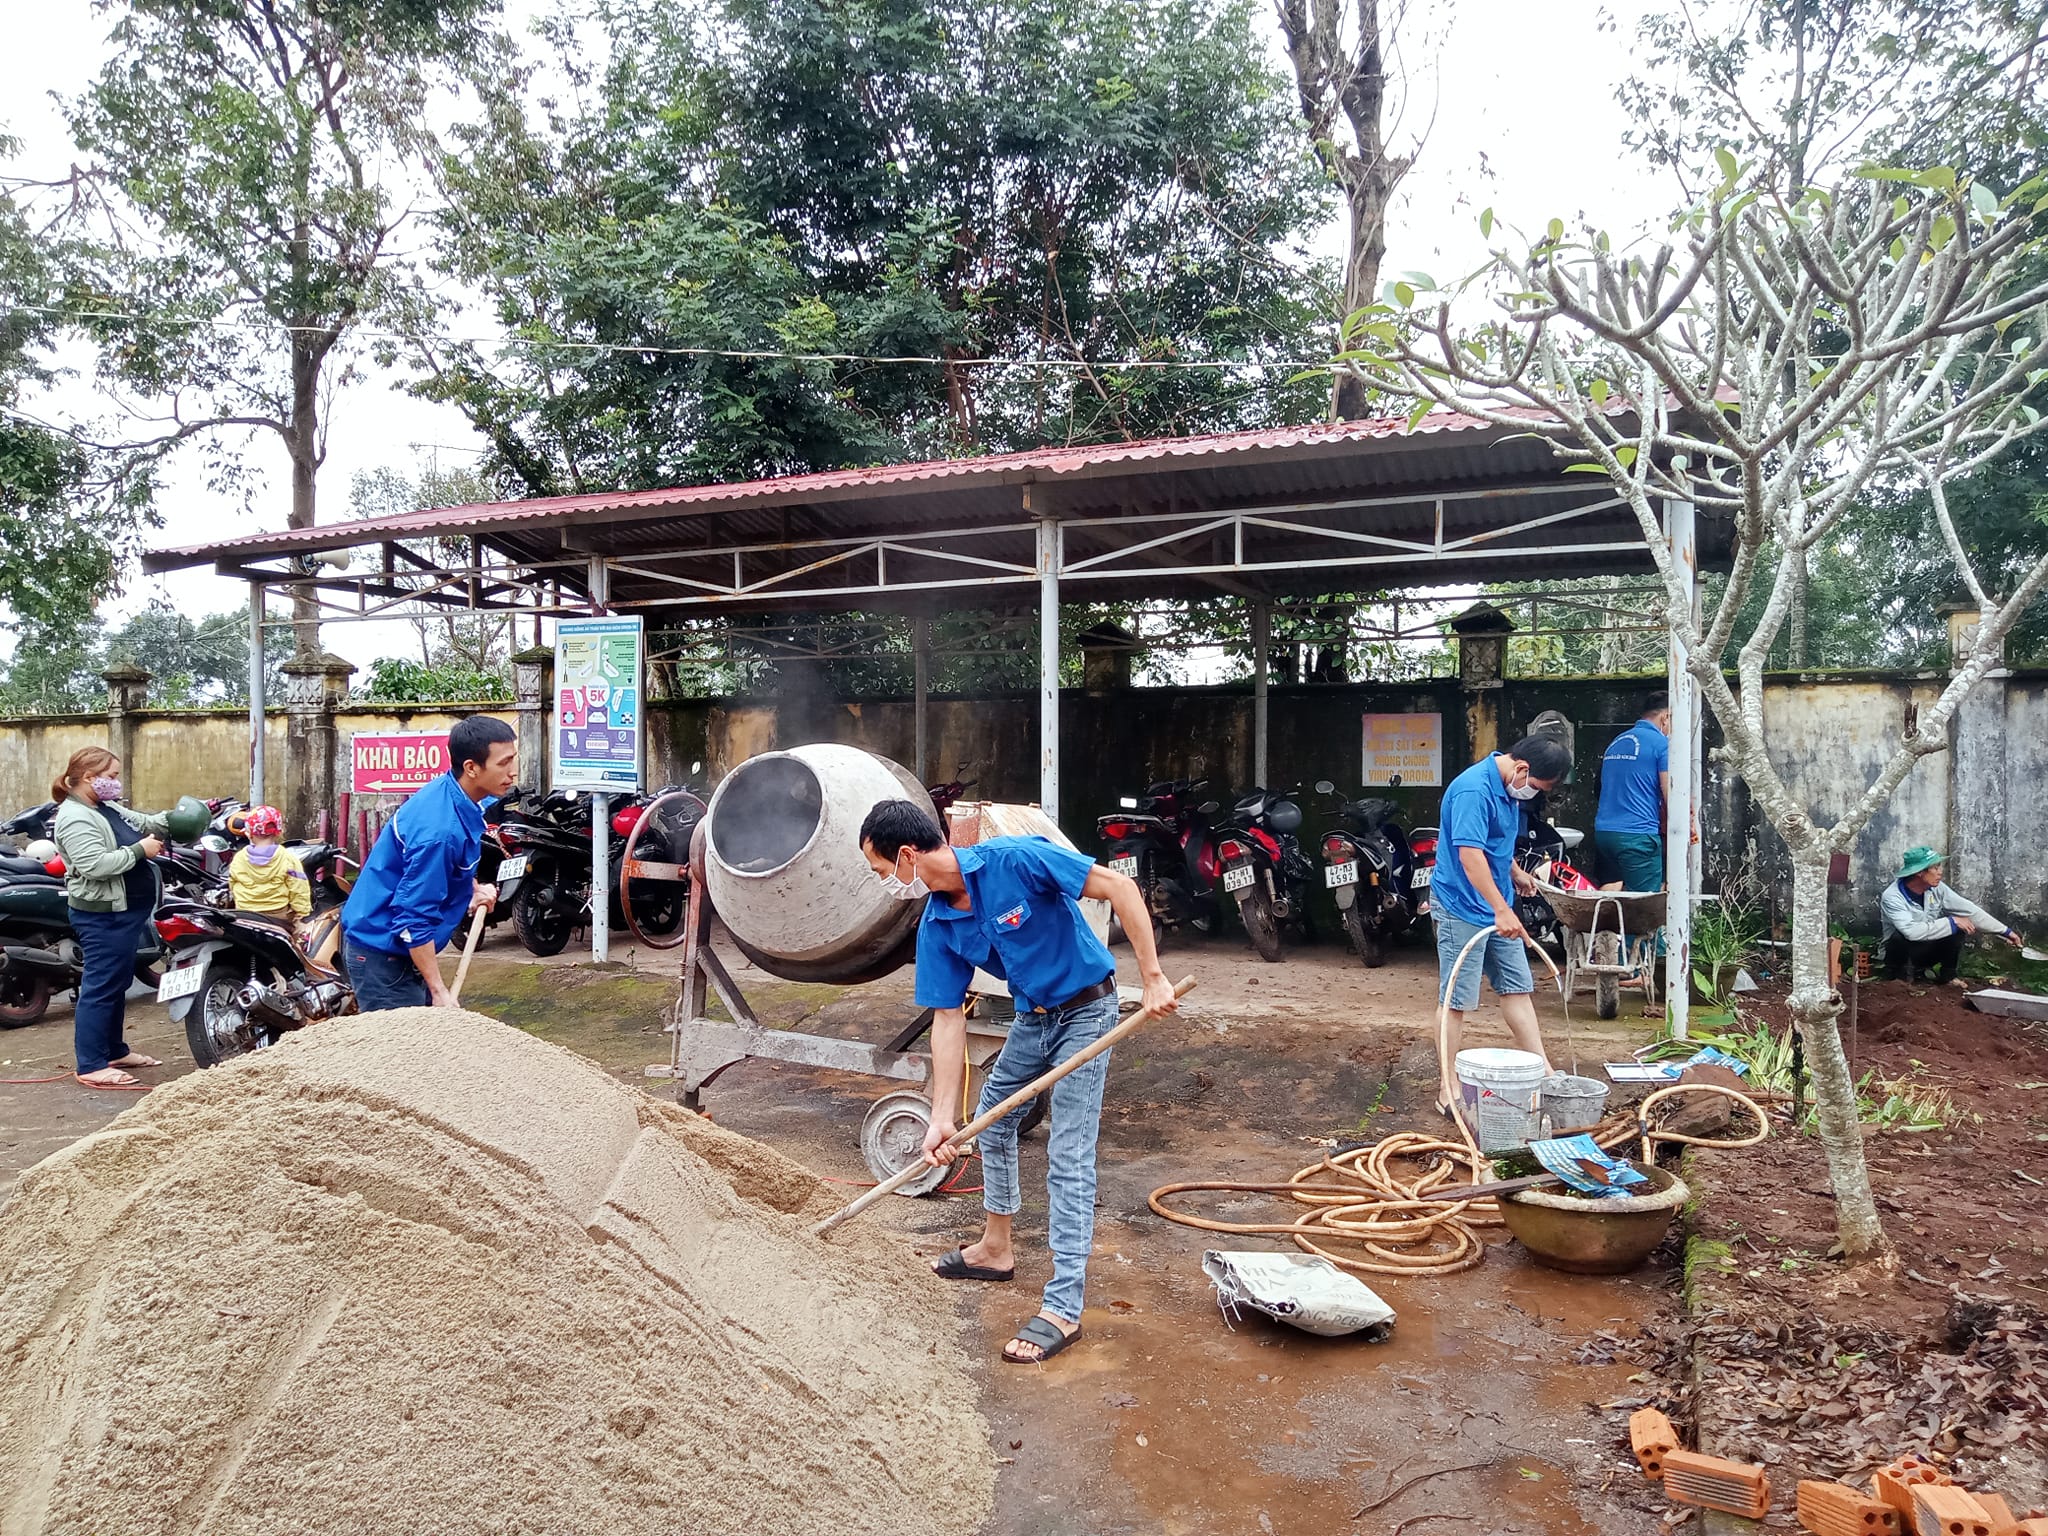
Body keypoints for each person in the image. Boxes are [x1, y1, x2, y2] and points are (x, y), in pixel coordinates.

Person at [858, 798, 1176, 1367]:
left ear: (908, 854)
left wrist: (1152, 979)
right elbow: (948, 1020)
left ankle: (1062, 1307)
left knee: (1068, 1154)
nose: (887, 884)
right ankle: (995, 1249)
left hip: (1087, 1013)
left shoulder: (1017, 860)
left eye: (883, 872)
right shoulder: (936, 924)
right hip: (1032, 1018)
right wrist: (940, 1117)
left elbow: (1121, 890)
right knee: (996, 1125)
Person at [1430, 734, 1574, 1115]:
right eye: (1538, 788)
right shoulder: (1472, 791)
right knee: (1456, 1000)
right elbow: (1470, 855)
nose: (1535, 795)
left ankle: (1543, 1071)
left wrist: (1514, 873)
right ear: (1522, 768)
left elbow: (1497, 844)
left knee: (1517, 988)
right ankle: (1448, 1088)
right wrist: (1501, 909)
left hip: (1496, 904)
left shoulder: (1511, 790)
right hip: (1460, 905)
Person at [341, 716, 517, 1011]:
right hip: (382, 956)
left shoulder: (459, 797)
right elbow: (413, 919)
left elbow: (447, 868)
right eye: (503, 763)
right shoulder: (439, 831)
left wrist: (470, 890)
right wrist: (439, 991)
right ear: (472, 768)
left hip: (401, 950)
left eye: (513, 759)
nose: (512, 772)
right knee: (403, 1051)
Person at [50, 748, 171, 1088]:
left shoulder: (101, 806)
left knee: (117, 983)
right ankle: (91, 1064)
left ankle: (115, 1050)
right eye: (112, 776)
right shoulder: (75, 817)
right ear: (89, 777)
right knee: (100, 986)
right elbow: (94, 865)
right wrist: (139, 851)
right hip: (103, 916)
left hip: (126, 913)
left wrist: (175, 818)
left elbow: (142, 823)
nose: (116, 782)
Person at [1879, 847, 2020, 984]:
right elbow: (1911, 932)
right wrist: (1951, 922)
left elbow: (1969, 910)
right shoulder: (1892, 896)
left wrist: (2005, 932)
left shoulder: (1937, 888)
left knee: (1959, 925)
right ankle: (1900, 980)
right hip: (1898, 956)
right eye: (1935, 868)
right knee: (1899, 936)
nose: (1940, 872)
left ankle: (1949, 977)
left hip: (1925, 951)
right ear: (1919, 873)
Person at [1594, 692, 1672, 893]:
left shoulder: (1617, 741)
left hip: (1604, 833)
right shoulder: (1662, 745)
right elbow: (1670, 794)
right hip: (1637, 836)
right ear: (1666, 717)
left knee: (1611, 894)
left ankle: (1603, 925)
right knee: (1644, 903)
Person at [226, 805, 311, 929]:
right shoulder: (287, 858)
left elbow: (232, 885)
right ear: (278, 831)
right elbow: (299, 888)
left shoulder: (239, 858)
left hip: (245, 915)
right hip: (278, 916)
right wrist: (301, 915)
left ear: (249, 833)